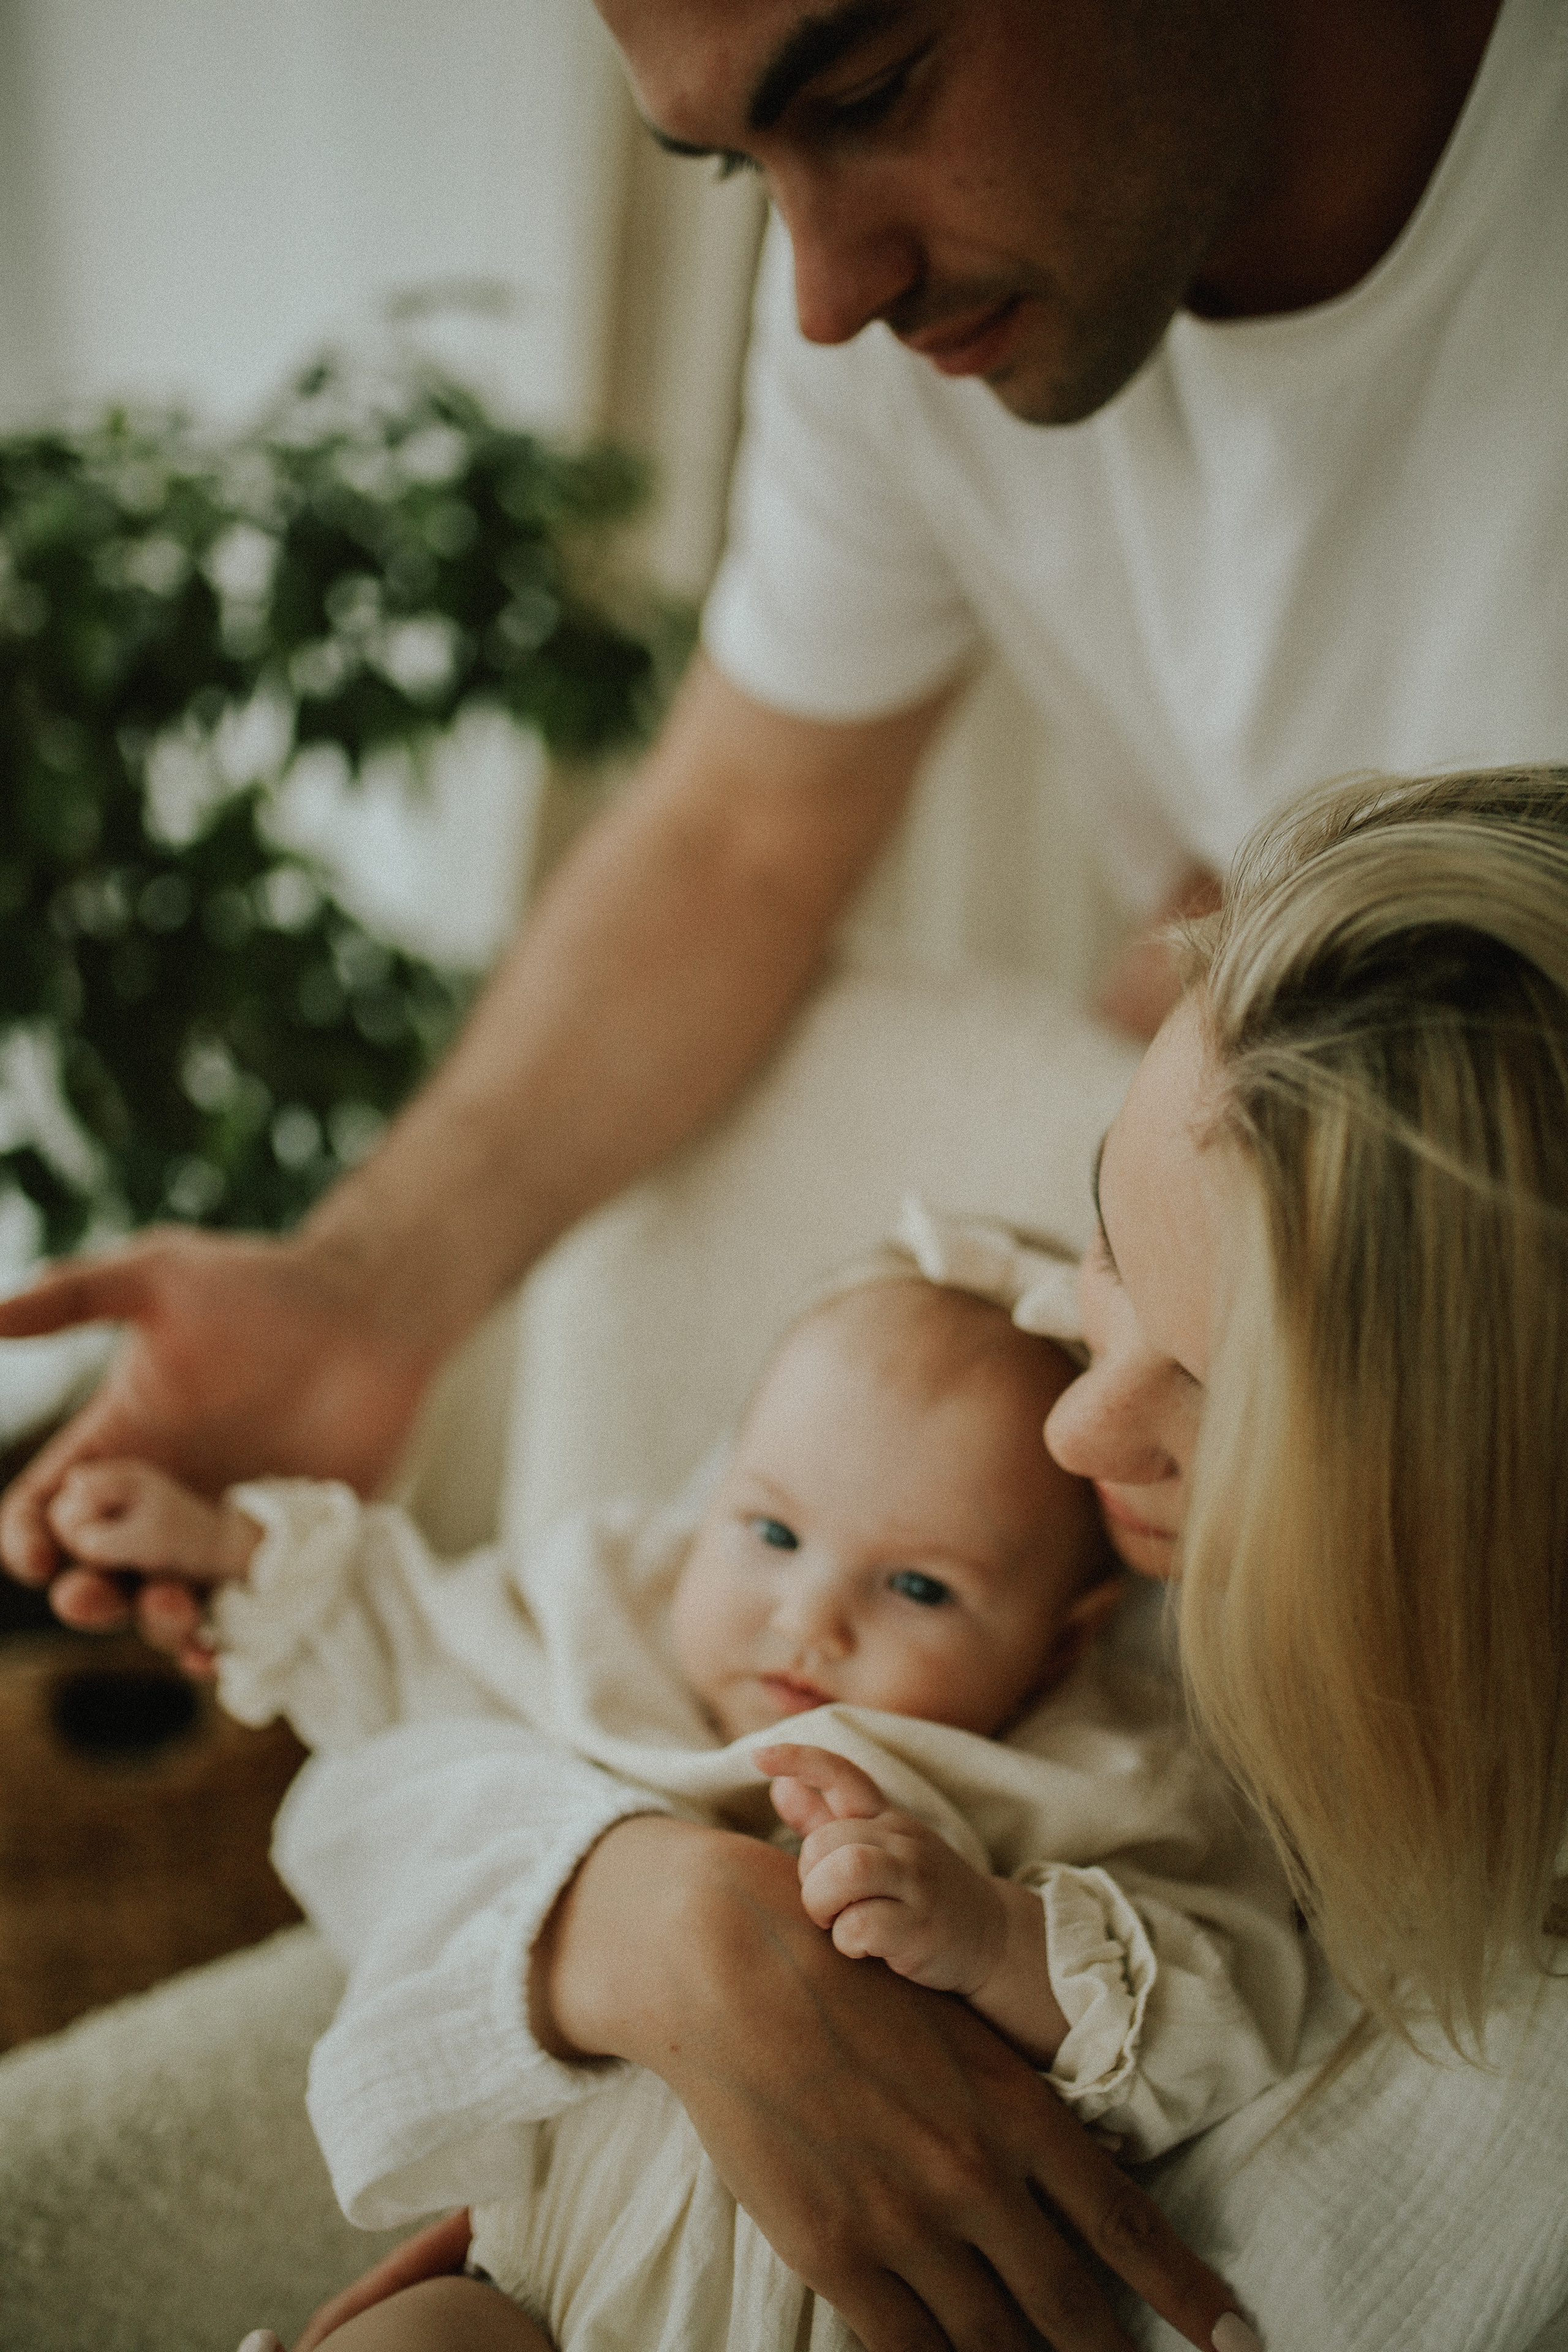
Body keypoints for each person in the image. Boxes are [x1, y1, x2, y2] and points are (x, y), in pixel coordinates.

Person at [1, 0, 1562, 2338]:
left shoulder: (1241, 1795)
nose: (820, 292)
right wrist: (372, 1294)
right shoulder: (924, 283)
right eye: (738, 167)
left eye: (866, 88)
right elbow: (743, 819)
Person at [45, 1215, 1303, 2352]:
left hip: (865, 2308)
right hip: (529, 2292)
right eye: (767, 1532)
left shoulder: (1076, 1772)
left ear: (1061, 1639)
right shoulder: (612, 1623)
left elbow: (1211, 2003)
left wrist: (990, 1939)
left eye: (916, 1586)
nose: (805, 1620)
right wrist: (220, 1548)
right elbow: (409, 1634)